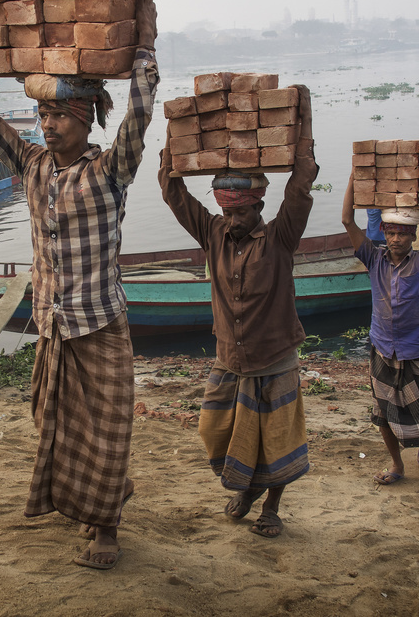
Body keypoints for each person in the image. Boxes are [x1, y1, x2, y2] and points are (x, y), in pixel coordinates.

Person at [0, 0, 159, 570]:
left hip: (99, 325)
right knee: (52, 420)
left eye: (58, 115)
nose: (47, 125)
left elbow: (139, 112)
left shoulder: (110, 171)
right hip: (51, 324)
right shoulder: (32, 165)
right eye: (42, 114)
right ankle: (101, 497)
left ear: (85, 118)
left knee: (107, 430)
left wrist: (144, 45)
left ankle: (106, 529)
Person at [158, 85, 318, 538]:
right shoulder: (212, 233)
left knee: (276, 440)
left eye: (240, 214)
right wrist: (175, 133)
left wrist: (304, 119)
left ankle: (271, 507)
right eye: (226, 213)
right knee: (217, 429)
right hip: (229, 357)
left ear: (258, 207)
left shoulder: (280, 236)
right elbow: (173, 192)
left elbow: (301, 183)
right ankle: (246, 491)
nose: (231, 221)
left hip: (275, 356)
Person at [340, 156, 419, 485]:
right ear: (385, 233)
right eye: (391, 233)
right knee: (382, 415)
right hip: (381, 348)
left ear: (413, 236)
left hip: (413, 349)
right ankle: (397, 465)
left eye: (402, 235)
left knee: (415, 411)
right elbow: (347, 220)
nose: (395, 240)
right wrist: (353, 177)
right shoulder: (374, 259)